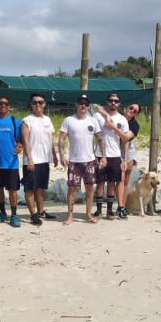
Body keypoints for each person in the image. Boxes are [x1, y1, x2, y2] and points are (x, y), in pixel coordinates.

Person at [58, 94, 103, 225]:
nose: (83, 105)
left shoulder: (93, 121)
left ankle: (88, 215)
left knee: (90, 189)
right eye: (81, 103)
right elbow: (61, 139)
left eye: (86, 104)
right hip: (74, 161)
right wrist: (62, 155)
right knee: (72, 189)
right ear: (76, 104)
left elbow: (99, 139)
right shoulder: (69, 120)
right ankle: (70, 216)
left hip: (89, 161)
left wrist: (102, 156)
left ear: (88, 107)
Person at [21, 93, 58, 226]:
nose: (38, 105)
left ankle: (41, 211)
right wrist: (29, 158)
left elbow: (50, 139)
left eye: (40, 102)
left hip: (44, 159)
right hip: (32, 160)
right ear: (31, 104)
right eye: (35, 102)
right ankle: (33, 215)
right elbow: (25, 141)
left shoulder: (47, 120)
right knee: (30, 188)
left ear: (44, 104)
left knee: (41, 187)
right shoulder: (27, 120)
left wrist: (54, 154)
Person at [91, 93, 130, 220]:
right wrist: (92, 154)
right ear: (107, 102)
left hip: (115, 154)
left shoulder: (122, 119)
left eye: (116, 101)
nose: (113, 103)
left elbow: (125, 140)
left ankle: (109, 211)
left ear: (119, 103)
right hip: (99, 154)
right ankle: (98, 211)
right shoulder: (97, 116)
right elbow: (91, 135)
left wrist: (124, 159)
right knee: (100, 183)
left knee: (112, 183)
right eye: (111, 100)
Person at [0, 95, 24, 228]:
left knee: (13, 190)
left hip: (11, 162)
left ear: (9, 106)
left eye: (6, 103)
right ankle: (2, 212)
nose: (3, 106)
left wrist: (19, 146)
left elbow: (21, 139)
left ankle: (14, 215)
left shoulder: (15, 121)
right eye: (0, 103)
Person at [120, 102, 141, 212]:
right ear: (127, 107)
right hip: (113, 149)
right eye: (131, 108)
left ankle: (122, 206)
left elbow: (126, 138)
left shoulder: (135, 125)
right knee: (116, 179)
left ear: (136, 114)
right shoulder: (117, 117)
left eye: (135, 111)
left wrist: (113, 128)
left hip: (127, 150)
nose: (132, 110)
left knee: (125, 180)